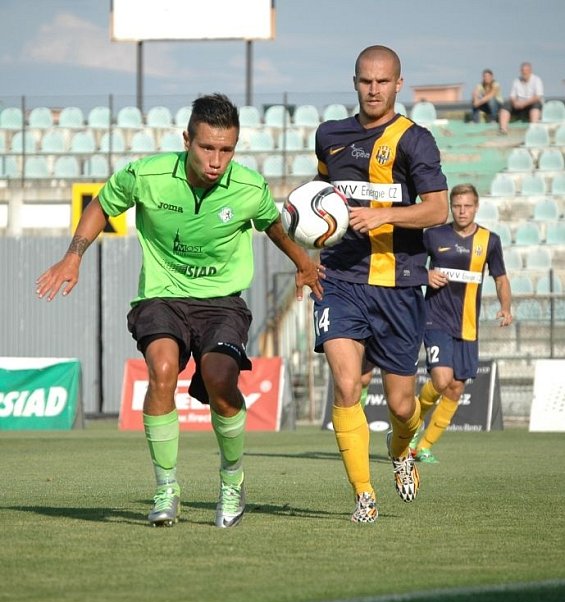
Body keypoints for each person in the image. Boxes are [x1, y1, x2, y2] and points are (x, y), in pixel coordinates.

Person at [36, 93, 323, 529]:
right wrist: (74, 254)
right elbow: (102, 204)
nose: (216, 160)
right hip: (162, 295)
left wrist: (303, 262)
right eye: (207, 147)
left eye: (226, 150)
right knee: (163, 370)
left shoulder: (249, 187)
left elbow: (272, 225)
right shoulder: (147, 175)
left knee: (221, 381)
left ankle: (232, 480)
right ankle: (166, 487)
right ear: (186, 139)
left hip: (222, 301)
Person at [312, 45, 448, 523]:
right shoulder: (329, 135)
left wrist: (383, 215)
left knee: (401, 403)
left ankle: (402, 452)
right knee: (347, 386)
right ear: (355, 82)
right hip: (341, 279)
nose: (374, 89)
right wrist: (307, 237)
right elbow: (320, 194)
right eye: (366, 81)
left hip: (398, 284)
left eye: (382, 81)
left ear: (398, 83)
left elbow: (437, 209)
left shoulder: (415, 140)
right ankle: (363, 495)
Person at [411, 183, 512, 463]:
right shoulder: (433, 235)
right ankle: (410, 428)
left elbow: (501, 278)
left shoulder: (489, 241)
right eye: (457, 206)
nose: (462, 211)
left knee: (456, 386)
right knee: (441, 379)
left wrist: (505, 307)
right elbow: (410, 264)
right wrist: (425, 276)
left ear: (476, 207)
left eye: (467, 206)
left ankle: (425, 446)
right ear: (451, 207)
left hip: (467, 325)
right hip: (435, 319)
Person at [499, 62, 544, 134]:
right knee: (506, 104)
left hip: (531, 104)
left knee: (536, 103)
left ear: (530, 71)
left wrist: (524, 103)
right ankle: (503, 129)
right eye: (523, 70)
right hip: (519, 105)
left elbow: (538, 96)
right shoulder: (516, 81)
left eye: (526, 70)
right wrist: (515, 102)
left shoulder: (536, 80)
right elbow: (512, 96)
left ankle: (534, 130)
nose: (524, 72)